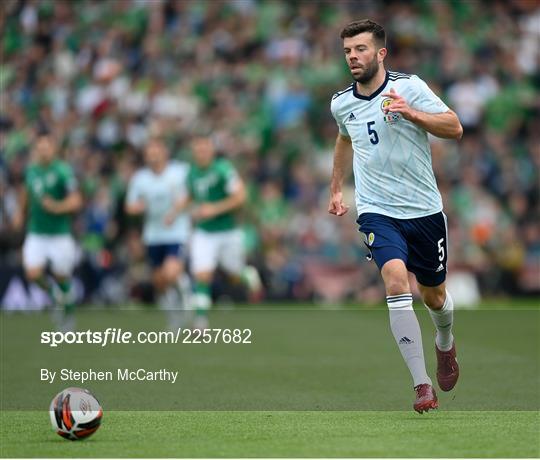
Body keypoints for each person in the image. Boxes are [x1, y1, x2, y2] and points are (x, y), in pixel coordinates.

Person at [328, 20, 463, 413]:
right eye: (348, 51)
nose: (353, 57)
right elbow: (343, 137)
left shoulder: (410, 87)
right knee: (394, 278)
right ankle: (421, 385)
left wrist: (413, 115)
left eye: (361, 49)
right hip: (376, 210)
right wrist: (336, 186)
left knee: (434, 296)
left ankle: (445, 344)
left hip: (423, 210)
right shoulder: (341, 102)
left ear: (380, 53)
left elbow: (454, 127)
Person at [166, 134, 262, 330]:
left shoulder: (223, 169)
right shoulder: (192, 173)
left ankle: (247, 274)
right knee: (202, 274)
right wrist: (174, 213)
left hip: (228, 231)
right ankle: (201, 323)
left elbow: (240, 197)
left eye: (204, 149)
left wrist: (214, 208)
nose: (201, 153)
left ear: (211, 150)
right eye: (197, 150)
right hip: (204, 232)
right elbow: (190, 195)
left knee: (233, 272)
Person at [14, 130, 82, 331]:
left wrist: (55, 206)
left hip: (59, 233)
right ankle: (55, 296)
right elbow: (26, 193)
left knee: (62, 276)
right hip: (36, 232)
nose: (43, 151)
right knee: (33, 273)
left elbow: (76, 201)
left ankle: (68, 317)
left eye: (47, 147)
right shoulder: (32, 171)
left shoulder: (63, 172)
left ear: (54, 149)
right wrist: (20, 213)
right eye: (40, 148)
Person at [125, 137, 191, 329]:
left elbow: (190, 195)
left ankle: (186, 296)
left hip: (177, 231)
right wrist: (139, 206)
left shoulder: (179, 173)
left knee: (171, 272)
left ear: (165, 153)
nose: (153, 157)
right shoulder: (140, 178)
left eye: (156, 152)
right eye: (149, 154)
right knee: (159, 281)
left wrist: (175, 212)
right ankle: (174, 314)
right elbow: (129, 206)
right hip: (153, 234)